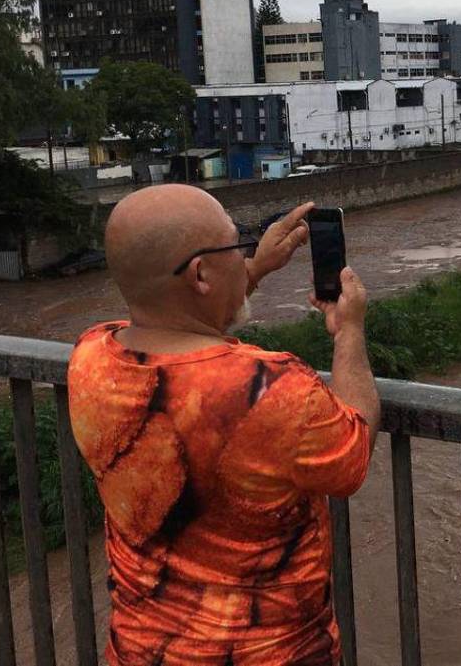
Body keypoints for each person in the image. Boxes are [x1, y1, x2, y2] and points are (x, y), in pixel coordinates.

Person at [66, 185, 380, 666]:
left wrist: (255, 269)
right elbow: (352, 452)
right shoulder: (272, 388)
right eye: (237, 245)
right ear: (200, 274)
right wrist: (350, 331)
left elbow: (178, 326)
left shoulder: (90, 356)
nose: (244, 255)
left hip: (139, 652)